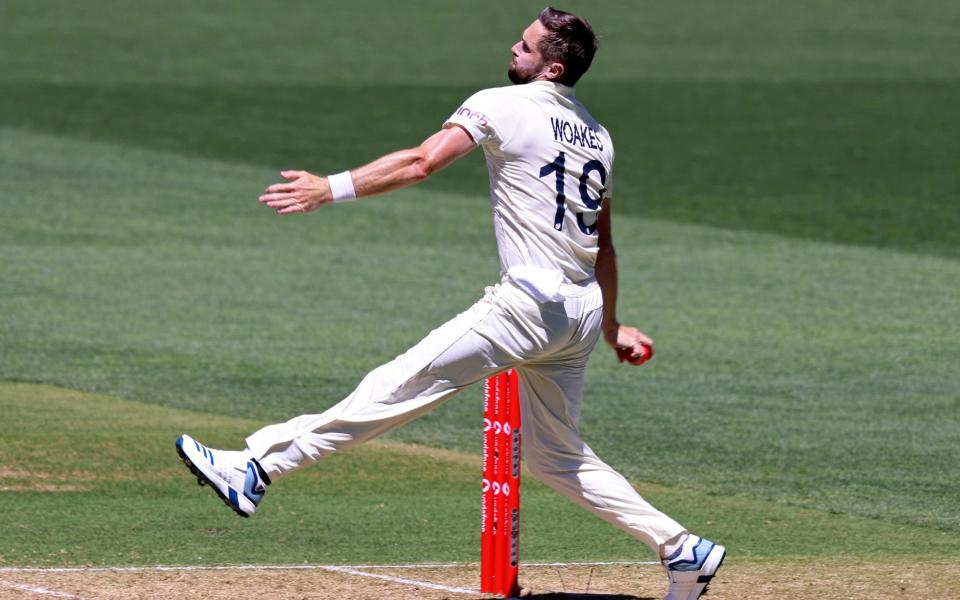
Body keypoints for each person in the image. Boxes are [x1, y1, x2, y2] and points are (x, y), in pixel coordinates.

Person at [176, 7, 724, 599]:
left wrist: (326, 188)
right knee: (555, 458)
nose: (514, 47)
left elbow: (421, 162)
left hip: (528, 306)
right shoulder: (597, 134)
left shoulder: (503, 103)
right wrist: (612, 323)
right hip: (579, 314)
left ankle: (256, 468)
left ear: (553, 66)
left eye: (527, 45)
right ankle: (682, 551)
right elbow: (605, 243)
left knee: (400, 382)